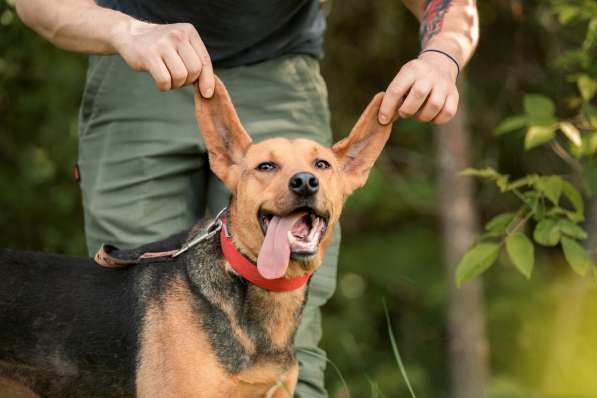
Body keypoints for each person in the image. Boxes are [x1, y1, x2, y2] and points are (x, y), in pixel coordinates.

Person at [15, 0, 479, 396]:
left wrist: (442, 56)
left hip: (279, 71)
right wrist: (126, 30)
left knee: (294, 325)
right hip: (136, 65)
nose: (305, 180)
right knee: (120, 318)